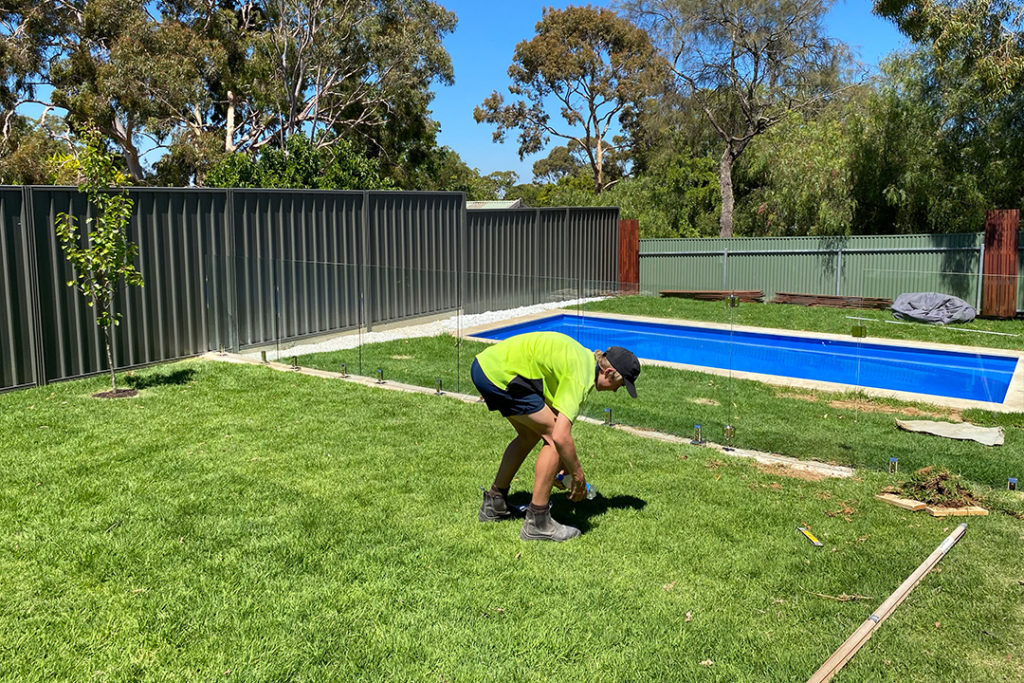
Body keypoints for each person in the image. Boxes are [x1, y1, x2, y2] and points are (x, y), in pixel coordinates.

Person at [471, 331, 641, 542]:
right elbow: (560, 436)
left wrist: (562, 467)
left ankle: (495, 503)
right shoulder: (580, 377)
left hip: (485, 367)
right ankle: (538, 521)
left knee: (529, 435)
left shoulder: (581, 360)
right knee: (553, 438)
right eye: (621, 384)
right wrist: (577, 475)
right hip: (500, 374)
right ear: (608, 372)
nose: (616, 391)